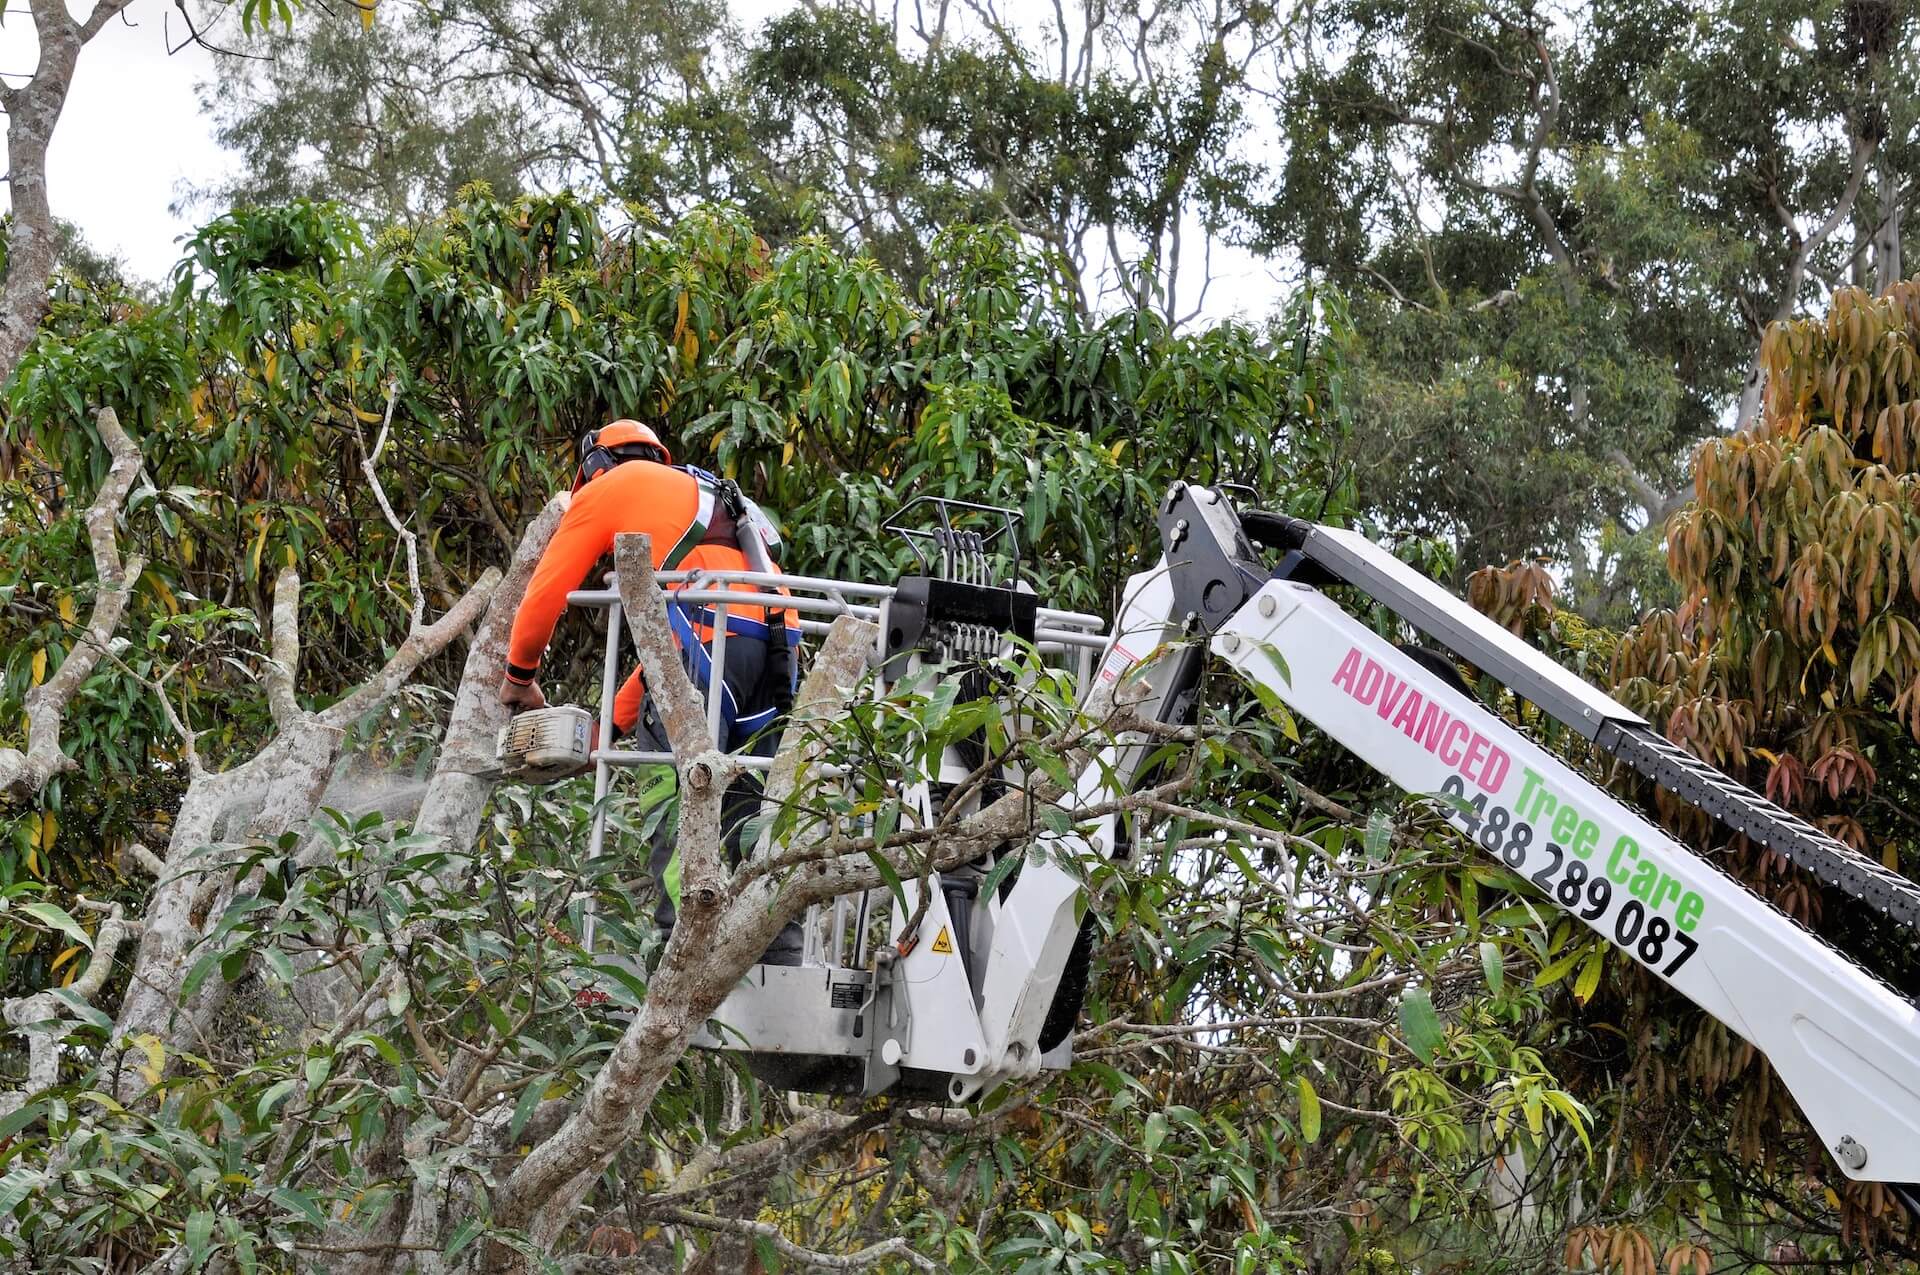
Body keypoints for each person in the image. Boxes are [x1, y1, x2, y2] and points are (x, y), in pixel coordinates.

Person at [499, 419, 802, 962]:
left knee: (681, 796)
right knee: (756, 810)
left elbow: (545, 592)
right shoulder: (708, 495)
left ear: (594, 466)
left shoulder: (612, 486)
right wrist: (607, 730)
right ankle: (780, 955)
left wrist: (519, 678)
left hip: (711, 639)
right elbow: (665, 659)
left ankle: (675, 952)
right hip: (781, 647)